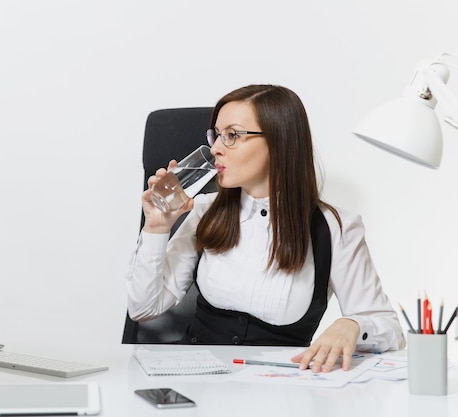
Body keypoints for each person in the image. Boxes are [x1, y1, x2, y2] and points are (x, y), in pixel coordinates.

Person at [125, 84, 405, 373]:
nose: (216, 148)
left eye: (232, 135)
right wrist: (156, 228)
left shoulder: (337, 228)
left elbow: (390, 330)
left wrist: (354, 324)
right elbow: (143, 309)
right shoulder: (203, 210)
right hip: (197, 385)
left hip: (281, 394)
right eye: (217, 135)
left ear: (279, 142)